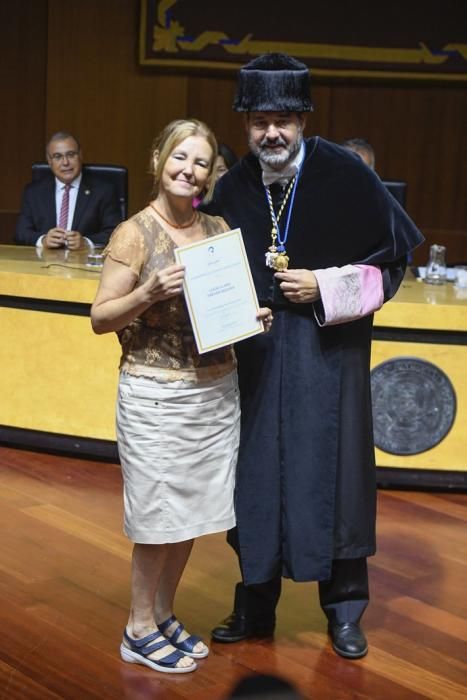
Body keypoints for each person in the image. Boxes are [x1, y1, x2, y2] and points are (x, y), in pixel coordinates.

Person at [202, 53, 423, 659]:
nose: (271, 133)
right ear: (245, 123)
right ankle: (255, 605)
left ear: (303, 119)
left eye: (284, 120)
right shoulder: (233, 187)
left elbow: (393, 265)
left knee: (339, 478)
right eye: (259, 121)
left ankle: (345, 610)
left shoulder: (346, 173)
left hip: (330, 354)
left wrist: (324, 286)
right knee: (257, 477)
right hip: (258, 359)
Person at [90, 119, 272, 675]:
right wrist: (146, 292)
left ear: (210, 174)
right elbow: (99, 318)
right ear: (159, 159)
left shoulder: (217, 228)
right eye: (180, 157)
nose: (188, 169)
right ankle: (137, 628)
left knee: (193, 516)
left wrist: (250, 318)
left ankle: (164, 614)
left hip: (215, 395)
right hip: (157, 398)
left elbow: (225, 309)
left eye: (201, 162)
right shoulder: (133, 233)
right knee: (158, 518)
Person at [15, 131, 121, 249]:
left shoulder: (103, 191)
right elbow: (21, 233)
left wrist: (86, 242)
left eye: (71, 155)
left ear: (80, 155)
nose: (65, 162)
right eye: (57, 157)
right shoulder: (33, 192)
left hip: (83, 262)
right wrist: (43, 239)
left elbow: (116, 233)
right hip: (44, 262)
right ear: (49, 161)